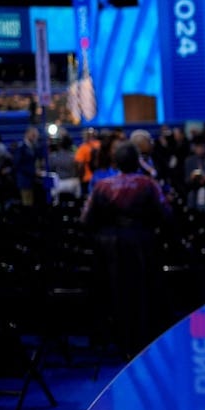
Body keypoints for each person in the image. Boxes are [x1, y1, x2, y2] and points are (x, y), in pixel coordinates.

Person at [80, 140, 172, 360]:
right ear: (136, 161)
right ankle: (142, 340)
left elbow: (85, 219)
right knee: (142, 292)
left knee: (116, 293)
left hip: (110, 248)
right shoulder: (148, 184)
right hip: (142, 244)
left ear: (116, 161)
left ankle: (119, 340)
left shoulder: (102, 186)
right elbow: (166, 214)